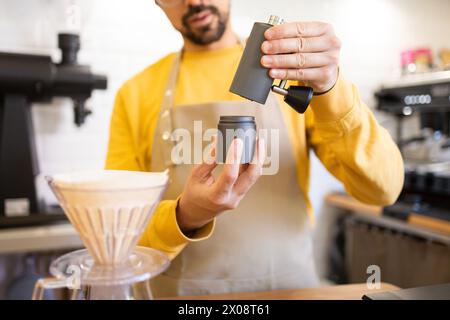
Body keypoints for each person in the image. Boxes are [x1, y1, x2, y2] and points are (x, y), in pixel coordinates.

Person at [105, 0, 404, 297]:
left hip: (290, 292)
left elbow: (382, 190)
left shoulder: (288, 69)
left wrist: (331, 88)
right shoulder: (136, 94)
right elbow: (118, 234)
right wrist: (186, 216)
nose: (194, 1)